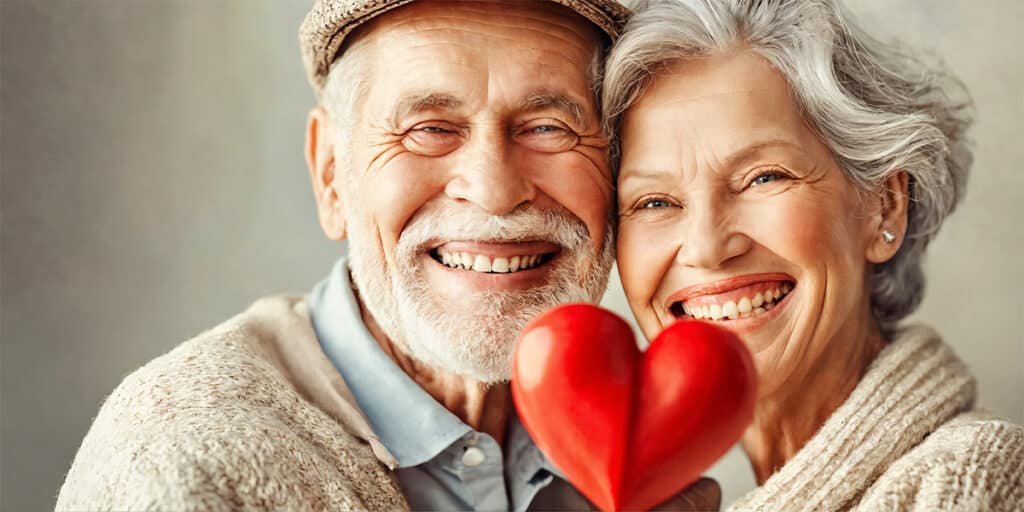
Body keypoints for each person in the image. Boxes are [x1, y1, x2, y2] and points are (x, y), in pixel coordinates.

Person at [57, 1, 724, 510]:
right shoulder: (183, 468)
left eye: (549, 127)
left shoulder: (646, 440)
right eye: (430, 129)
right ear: (330, 175)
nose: (494, 191)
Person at [604, 0, 1023, 510]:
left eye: (764, 177)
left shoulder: (969, 481)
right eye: (655, 202)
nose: (707, 248)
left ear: (885, 207)